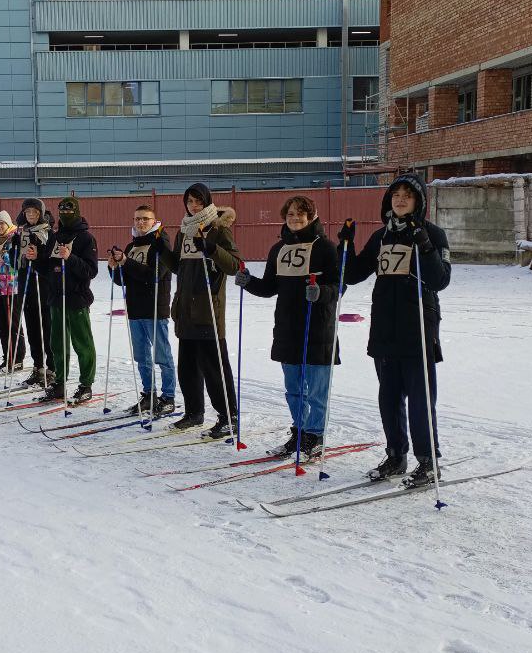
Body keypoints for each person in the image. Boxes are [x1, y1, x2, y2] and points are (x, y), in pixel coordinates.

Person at [339, 171, 452, 487]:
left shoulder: (434, 234)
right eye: (396, 194)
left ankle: (428, 462)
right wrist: (345, 244)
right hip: (385, 328)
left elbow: (439, 280)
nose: (400, 199)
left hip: (417, 326)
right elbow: (353, 274)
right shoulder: (381, 237)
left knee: (419, 399)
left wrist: (425, 245)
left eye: (408, 194)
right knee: (388, 397)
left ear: (418, 201)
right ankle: (395, 455)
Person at [235, 195, 340, 458]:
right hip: (287, 327)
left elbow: (340, 286)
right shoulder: (278, 249)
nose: (295, 218)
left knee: (316, 391)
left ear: (312, 216)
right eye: (291, 214)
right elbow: (270, 288)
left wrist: (322, 292)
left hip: (317, 329)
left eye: (301, 214)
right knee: (293, 390)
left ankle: (315, 436)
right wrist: (248, 281)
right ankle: (300, 431)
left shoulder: (326, 248)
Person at [158, 182, 241, 439]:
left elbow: (235, 266)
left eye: (198, 201)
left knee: (214, 368)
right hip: (185, 310)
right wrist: (161, 249)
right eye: (190, 201)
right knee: (188, 368)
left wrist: (212, 249)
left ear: (207, 202)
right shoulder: (185, 230)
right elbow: (179, 268)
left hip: (207, 311)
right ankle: (194, 412)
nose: (193, 206)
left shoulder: (218, 229)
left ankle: (229, 417)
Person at [107, 204, 176, 418]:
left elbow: (152, 276)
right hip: (135, 309)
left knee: (162, 355)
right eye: (137, 219)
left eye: (145, 219)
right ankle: (149, 394)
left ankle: (168, 397)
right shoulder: (132, 246)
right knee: (141, 356)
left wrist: (126, 263)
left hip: (155, 307)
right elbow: (123, 281)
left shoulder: (160, 243)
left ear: (154, 221)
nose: (141, 222)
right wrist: (114, 268)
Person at [43, 195, 98, 404]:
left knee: (82, 343)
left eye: (69, 210)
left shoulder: (86, 238)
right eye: (62, 210)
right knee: (57, 343)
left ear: (76, 211)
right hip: (56, 297)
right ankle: (59, 382)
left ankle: (86, 384)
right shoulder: (54, 237)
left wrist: (70, 258)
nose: (65, 214)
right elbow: (48, 267)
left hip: (76, 298)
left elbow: (91, 270)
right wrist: (35, 259)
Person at [14, 197, 55, 387]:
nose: (30, 215)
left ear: (40, 213)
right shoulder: (22, 232)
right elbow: (16, 260)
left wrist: (39, 256)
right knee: (31, 327)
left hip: (43, 284)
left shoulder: (47, 232)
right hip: (26, 282)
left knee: (46, 326)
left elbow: (50, 260)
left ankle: (51, 369)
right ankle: (38, 366)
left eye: (34, 212)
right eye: (27, 212)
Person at [0, 211, 24, 372]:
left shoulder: (14, 238)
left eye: (1, 223)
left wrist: (8, 256)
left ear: (8, 224)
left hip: (12, 287)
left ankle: (17, 358)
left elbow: (17, 260)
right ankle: (7, 356)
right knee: (2, 324)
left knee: (13, 325)